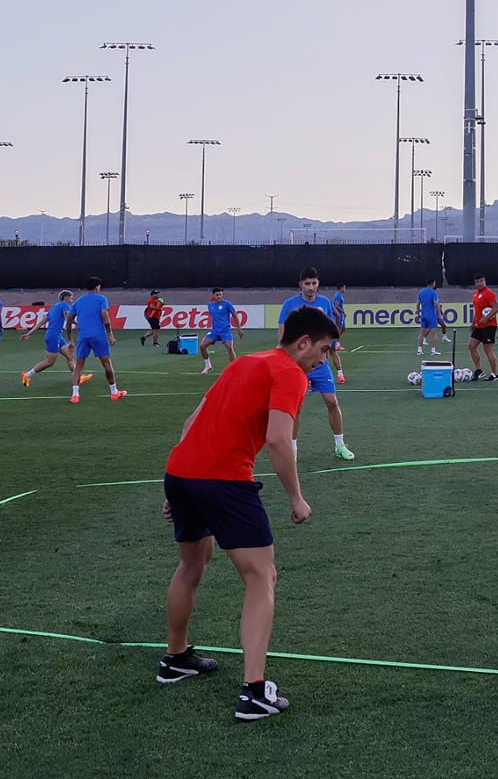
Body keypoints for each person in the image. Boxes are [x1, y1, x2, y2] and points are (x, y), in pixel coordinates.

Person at [159, 307, 338, 722]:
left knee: (191, 566)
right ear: (304, 342)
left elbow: (191, 421)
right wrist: (296, 497)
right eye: (324, 350)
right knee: (262, 576)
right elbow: (278, 439)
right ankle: (254, 692)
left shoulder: (245, 362)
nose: (322, 360)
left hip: (181, 471)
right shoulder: (292, 372)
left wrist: (180, 485)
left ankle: (175, 658)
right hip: (223, 481)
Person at [276, 269, 353, 460]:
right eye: (307, 283)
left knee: (332, 402)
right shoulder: (290, 305)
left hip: (319, 364)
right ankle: (292, 449)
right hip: (297, 365)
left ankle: (339, 445)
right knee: (297, 408)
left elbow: (328, 329)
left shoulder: (325, 303)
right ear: (300, 284)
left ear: (318, 283)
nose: (311, 287)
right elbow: (282, 331)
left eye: (314, 283)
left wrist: (328, 347)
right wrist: (283, 357)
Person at [70, 277, 128, 404]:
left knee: (79, 365)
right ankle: (114, 392)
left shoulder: (78, 301)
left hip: (83, 336)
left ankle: (75, 395)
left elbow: (69, 320)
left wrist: (70, 338)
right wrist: (110, 335)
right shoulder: (101, 299)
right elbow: (105, 317)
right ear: (97, 287)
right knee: (106, 363)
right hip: (98, 335)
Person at [21, 291, 77, 387]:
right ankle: (27, 375)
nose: (72, 300)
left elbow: (41, 322)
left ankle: (77, 377)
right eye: (71, 298)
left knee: (70, 356)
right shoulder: (65, 305)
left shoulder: (54, 307)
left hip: (55, 336)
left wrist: (29, 333)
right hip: (53, 337)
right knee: (49, 362)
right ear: (66, 298)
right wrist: (80, 323)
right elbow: (68, 318)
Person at [468, 275, 498, 382]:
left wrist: (486, 318)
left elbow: (496, 307)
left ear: (485, 281)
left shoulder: (489, 293)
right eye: (477, 281)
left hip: (489, 326)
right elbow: (478, 310)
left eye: (481, 281)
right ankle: (479, 370)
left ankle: (495, 374)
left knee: (487, 349)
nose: (479, 283)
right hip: (479, 326)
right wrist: (474, 322)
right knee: (471, 346)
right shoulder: (476, 294)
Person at [201, 287, 239, 373]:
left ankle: (235, 368)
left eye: (221, 295)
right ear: (213, 295)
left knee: (229, 348)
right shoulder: (210, 305)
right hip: (215, 331)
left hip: (225, 331)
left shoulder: (227, 304)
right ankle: (208, 366)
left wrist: (239, 329)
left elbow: (235, 315)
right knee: (202, 346)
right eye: (217, 295)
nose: (219, 296)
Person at [416, 278, 443, 356]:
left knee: (421, 333)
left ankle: (419, 350)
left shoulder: (421, 292)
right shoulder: (433, 292)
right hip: (431, 315)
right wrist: (439, 314)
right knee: (433, 333)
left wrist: (418, 313)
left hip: (423, 315)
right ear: (432, 283)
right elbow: (436, 303)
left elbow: (418, 303)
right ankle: (433, 350)